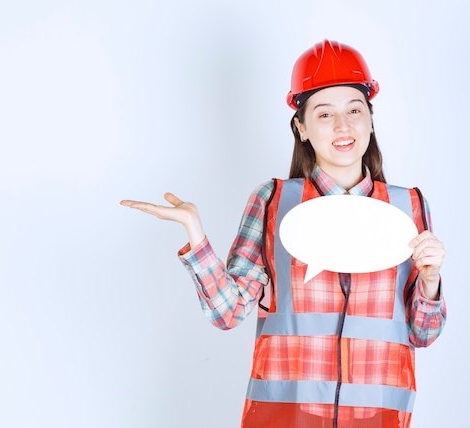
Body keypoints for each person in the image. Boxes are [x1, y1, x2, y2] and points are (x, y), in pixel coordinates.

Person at [121, 40, 446, 428]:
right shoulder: (274, 201)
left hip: (376, 417)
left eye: (354, 110)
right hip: (288, 417)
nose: (343, 126)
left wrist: (430, 282)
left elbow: (422, 334)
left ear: (371, 119)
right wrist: (195, 234)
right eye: (325, 114)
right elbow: (228, 312)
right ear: (302, 127)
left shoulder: (408, 207)